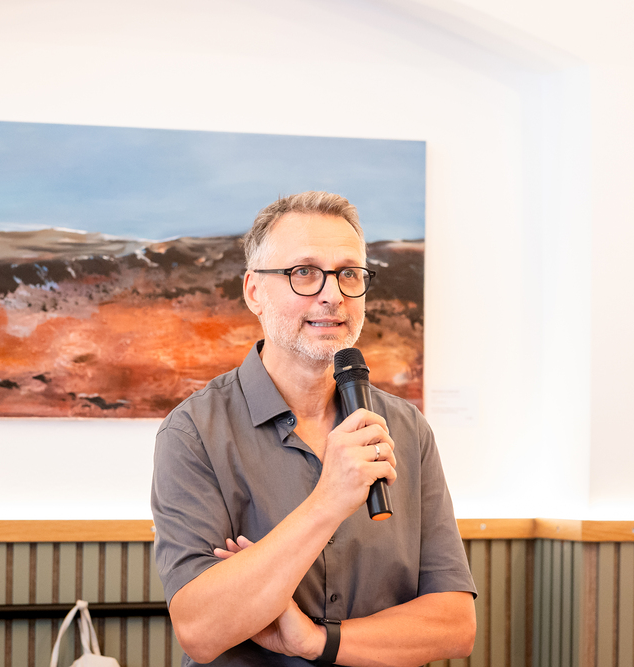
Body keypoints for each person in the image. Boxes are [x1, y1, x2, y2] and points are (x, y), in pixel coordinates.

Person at [151, 191, 477, 666]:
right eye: (304, 272)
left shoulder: (407, 429)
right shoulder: (193, 433)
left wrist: (314, 640)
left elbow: (454, 627)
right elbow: (201, 631)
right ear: (254, 292)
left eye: (349, 273)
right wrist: (328, 501)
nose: (333, 295)